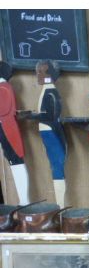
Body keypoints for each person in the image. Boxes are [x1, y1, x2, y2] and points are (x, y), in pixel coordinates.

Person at [30, 59, 67, 208]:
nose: (37, 75)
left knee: (57, 168)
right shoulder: (47, 90)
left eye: (41, 72)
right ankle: (59, 205)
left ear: (49, 74)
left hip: (50, 132)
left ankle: (61, 205)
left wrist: (31, 116)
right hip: (47, 132)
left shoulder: (51, 91)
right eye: (37, 71)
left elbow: (51, 115)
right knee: (55, 167)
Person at [0, 61, 29, 204]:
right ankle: (23, 200)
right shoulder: (5, 87)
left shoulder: (3, 88)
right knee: (14, 161)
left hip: (7, 129)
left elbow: (3, 111)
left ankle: (24, 201)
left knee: (16, 161)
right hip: (6, 128)